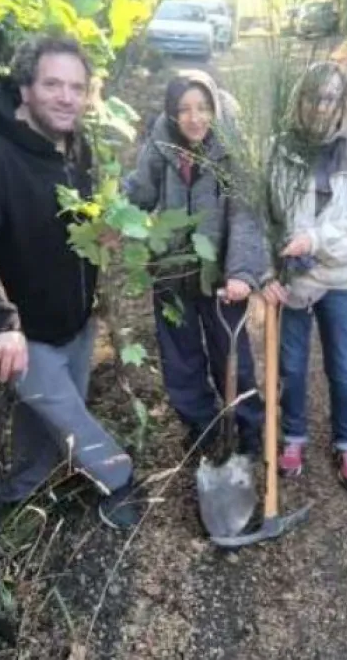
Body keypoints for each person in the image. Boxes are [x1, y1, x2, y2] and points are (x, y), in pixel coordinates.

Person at [0, 34, 137, 529]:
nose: (66, 96)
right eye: (53, 84)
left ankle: (26, 485)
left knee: (47, 417)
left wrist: (104, 234)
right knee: (73, 420)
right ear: (26, 88)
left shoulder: (79, 147)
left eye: (76, 87)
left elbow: (78, 221)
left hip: (76, 320)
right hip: (24, 333)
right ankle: (120, 479)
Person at [263, 61, 347, 489]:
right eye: (312, 96)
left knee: (342, 366)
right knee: (293, 366)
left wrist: (317, 241)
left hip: (341, 280)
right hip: (293, 281)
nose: (320, 106)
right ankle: (293, 436)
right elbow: (262, 218)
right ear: (299, 99)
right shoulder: (277, 148)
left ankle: (346, 442)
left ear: (342, 102)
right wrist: (268, 272)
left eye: (330, 97)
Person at [126, 70, 268, 456]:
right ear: (172, 114)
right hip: (173, 275)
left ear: (215, 108)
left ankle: (249, 428)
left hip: (222, 279)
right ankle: (201, 429)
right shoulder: (160, 144)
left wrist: (240, 271)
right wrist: (113, 213)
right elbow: (139, 191)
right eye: (184, 110)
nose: (194, 118)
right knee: (181, 362)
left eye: (203, 108)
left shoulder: (233, 148)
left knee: (232, 358)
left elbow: (245, 214)